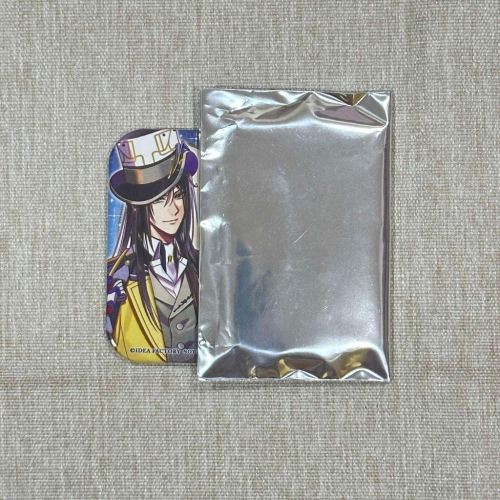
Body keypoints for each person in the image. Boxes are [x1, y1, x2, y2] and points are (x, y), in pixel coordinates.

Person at [106, 129, 199, 363]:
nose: (174, 209)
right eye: (159, 199)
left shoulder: (204, 267)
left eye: (179, 196)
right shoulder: (116, 277)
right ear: (138, 206)